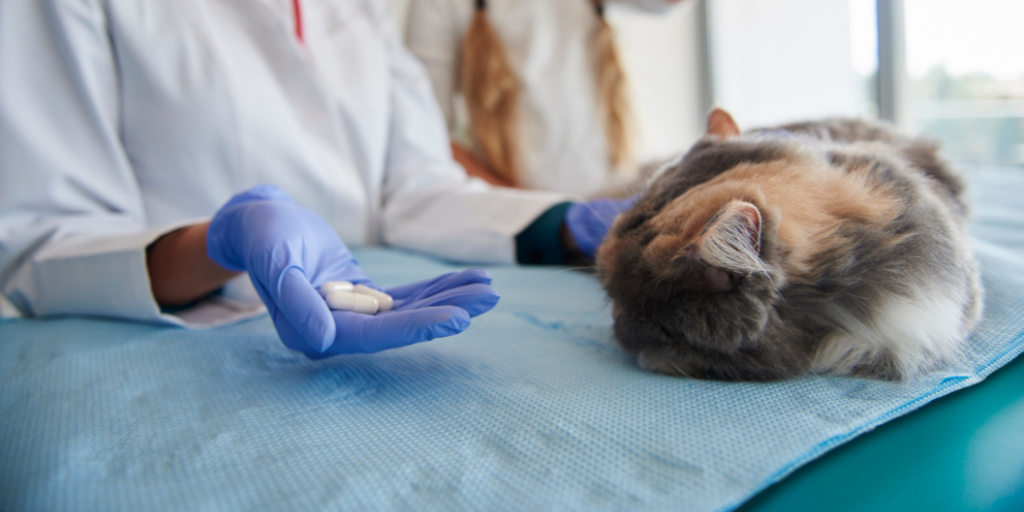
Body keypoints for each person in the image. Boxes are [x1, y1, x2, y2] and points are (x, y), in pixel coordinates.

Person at [0, 0, 633, 358]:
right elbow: (43, 243)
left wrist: (565, 223)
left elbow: (412, 188)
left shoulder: (362, 13)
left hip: (373, 306)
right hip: (177, 346)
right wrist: (217, 244)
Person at [406, 0, 692, 194]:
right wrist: (538, 214)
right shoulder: (440, 6)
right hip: (530, 210)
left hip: (618, 194)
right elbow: (431, 140)